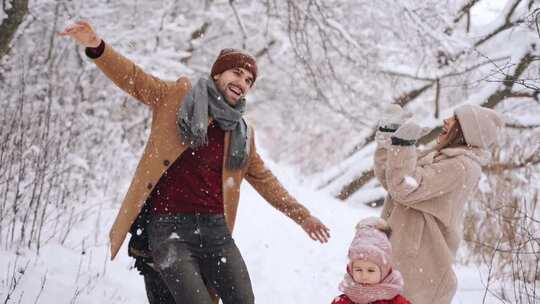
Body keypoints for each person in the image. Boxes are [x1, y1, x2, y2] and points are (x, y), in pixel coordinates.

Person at [59, 20, 331, 304]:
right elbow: (135, 79)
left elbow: (266, 181)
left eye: (248, 80)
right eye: (236, 73)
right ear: (217, 74)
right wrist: (97, 47)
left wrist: (304, 217)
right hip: (168, 228)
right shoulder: (177, 98)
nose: (242, 83)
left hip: (215, 230)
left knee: (244, 300)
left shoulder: (241, 133)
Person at [374, 103, 504, 303]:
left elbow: (403, 188)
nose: (446, 120)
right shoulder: (438, 155)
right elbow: (391, 180)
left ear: (465, 132)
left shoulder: (460, 167)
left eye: (454, 119)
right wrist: (389, 138)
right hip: (398, 254)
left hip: (419, 265)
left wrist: (402, 145)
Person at [331, 217, 411, 304]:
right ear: (351, 270)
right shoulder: (342, 301)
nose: (364, 276)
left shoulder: (396, 302)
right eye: (358, 269)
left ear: (384, 272)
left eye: (370, 270)